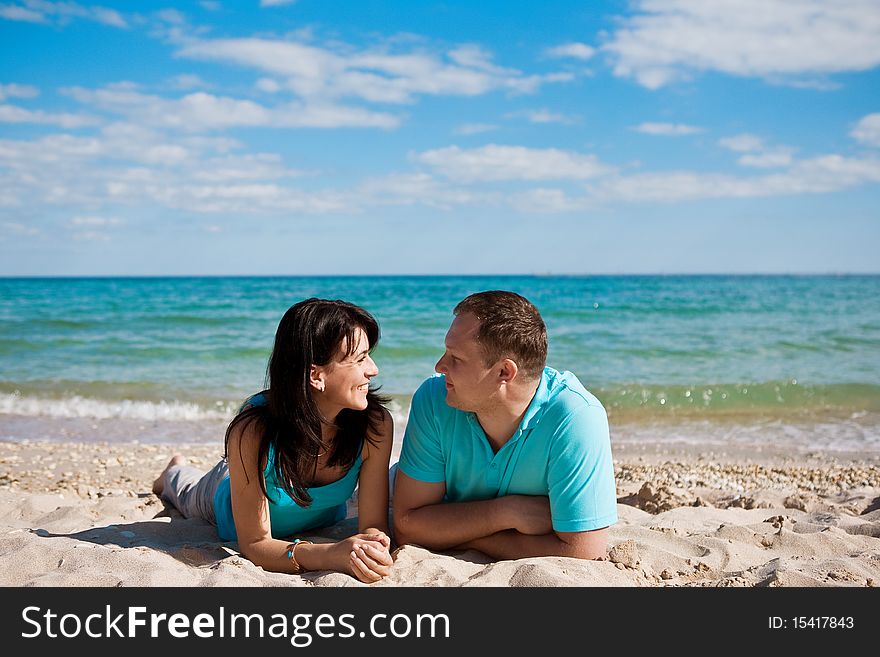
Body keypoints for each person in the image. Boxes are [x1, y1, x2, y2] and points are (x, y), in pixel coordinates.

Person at [152, 298, 395, 583]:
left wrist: (374, 544)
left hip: (311, 513)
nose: (373, 369)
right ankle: (172, 471)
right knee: (187, 490)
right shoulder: (253, 430)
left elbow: (373, 526)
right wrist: (330, 554)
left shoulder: (374, 426)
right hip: (227, 503)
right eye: (359, 358)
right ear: (315, 375)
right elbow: (255, 545)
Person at [392, 290, 617, 561]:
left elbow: (583, 552)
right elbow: (407, 527)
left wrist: (467, 536)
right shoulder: (434, 398)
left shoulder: (575, 417)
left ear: (504, 372)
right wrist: (507, 513)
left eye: (456, 358)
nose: (440, 366)